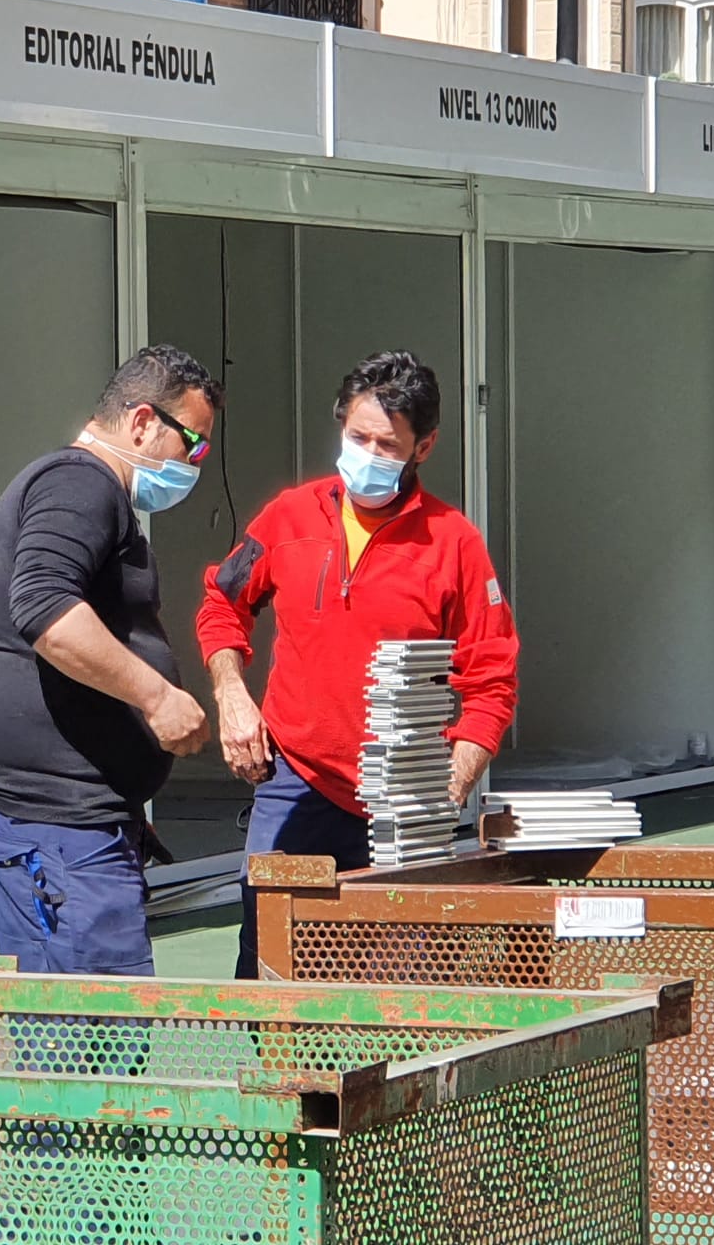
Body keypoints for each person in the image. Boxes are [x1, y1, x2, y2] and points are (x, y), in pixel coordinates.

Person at [197, 349, 518, 978]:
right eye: (357, 437)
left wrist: (449, 781)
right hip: (297, 780)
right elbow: (222, 604)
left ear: (424, 447)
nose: (367, 455)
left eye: (388, 444)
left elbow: (492, 678)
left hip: (404, 797)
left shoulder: (454, 544)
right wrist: (232, 693)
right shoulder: (288, 518)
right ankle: (281, 1077)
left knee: (401, 970)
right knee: (270, 957)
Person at [0, 344, 223, 975]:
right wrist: (157, 697)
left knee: (97, 1034)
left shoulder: (90, 492)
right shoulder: (78, 484)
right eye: (194, 444)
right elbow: (45, 608)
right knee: (94, 1038)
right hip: (52, 824)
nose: (195, 464)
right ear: (141, 423)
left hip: (76, 821)